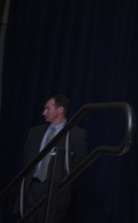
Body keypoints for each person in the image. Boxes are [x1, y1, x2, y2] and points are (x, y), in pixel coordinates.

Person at [19, 94, 87, 223]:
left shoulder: (76, 135)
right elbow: (27, 159)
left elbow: (79, 165)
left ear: (59, 110)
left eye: (47, 108)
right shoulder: (35, 132)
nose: (43, 113)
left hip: (55, 192)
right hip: (32, 189)